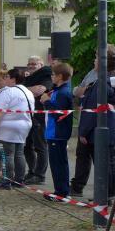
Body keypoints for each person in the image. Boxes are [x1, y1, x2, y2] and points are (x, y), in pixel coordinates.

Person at [77, 45, 115, 199]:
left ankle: (104, 196)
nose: (94, 61)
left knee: (104, 164)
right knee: (109, 163)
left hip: (99, 130)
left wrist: (83, 132)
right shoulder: (109, 81)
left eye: (96, 58)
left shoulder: (102, 83)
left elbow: (92, 109)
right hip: (109, 130)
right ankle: (108, 195)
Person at [0, 68, 34, 189]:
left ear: (13, 79)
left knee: (6, 155)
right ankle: (19, 180)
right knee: (19, 153)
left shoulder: (9, 91)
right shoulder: (28, 92)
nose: (5, 79)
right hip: (23, 126)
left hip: (6, 128)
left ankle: (6, 180)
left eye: (7, 77)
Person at [40, 63, 74, 200]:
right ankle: (61, 191)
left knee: (58, 164)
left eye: (53, 75)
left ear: (60, 76)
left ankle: (61, 193)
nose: (51, 77)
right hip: (54, 132)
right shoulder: (58, 91)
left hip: (57, 133)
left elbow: (58, 112)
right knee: (57, 163)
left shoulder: (63, 93)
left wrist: (46, 101)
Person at [70, 56, 103, 196]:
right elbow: (78, 91)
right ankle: (77, 187)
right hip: (85, 120)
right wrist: (81, 90)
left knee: (101, 160)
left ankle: (103, 193)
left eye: (96, 57)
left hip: (98, 124)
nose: (94, 60)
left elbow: (86, 94)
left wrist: (83, 90)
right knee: (82, 156)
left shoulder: (107, 76)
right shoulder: (91, 73)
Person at [23, 56, 52, 185]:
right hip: (28, 115)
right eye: (29, 63)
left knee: (40, 146)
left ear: (41, 65)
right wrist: (28, 89)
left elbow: (40, 90)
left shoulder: (46, 75)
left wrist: (23, 89)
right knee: (27, 146)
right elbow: (32, 91)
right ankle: (33, 171)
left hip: (40, 116)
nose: (31, 65)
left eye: (34, 63)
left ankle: (40, 175)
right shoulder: (29, 78)